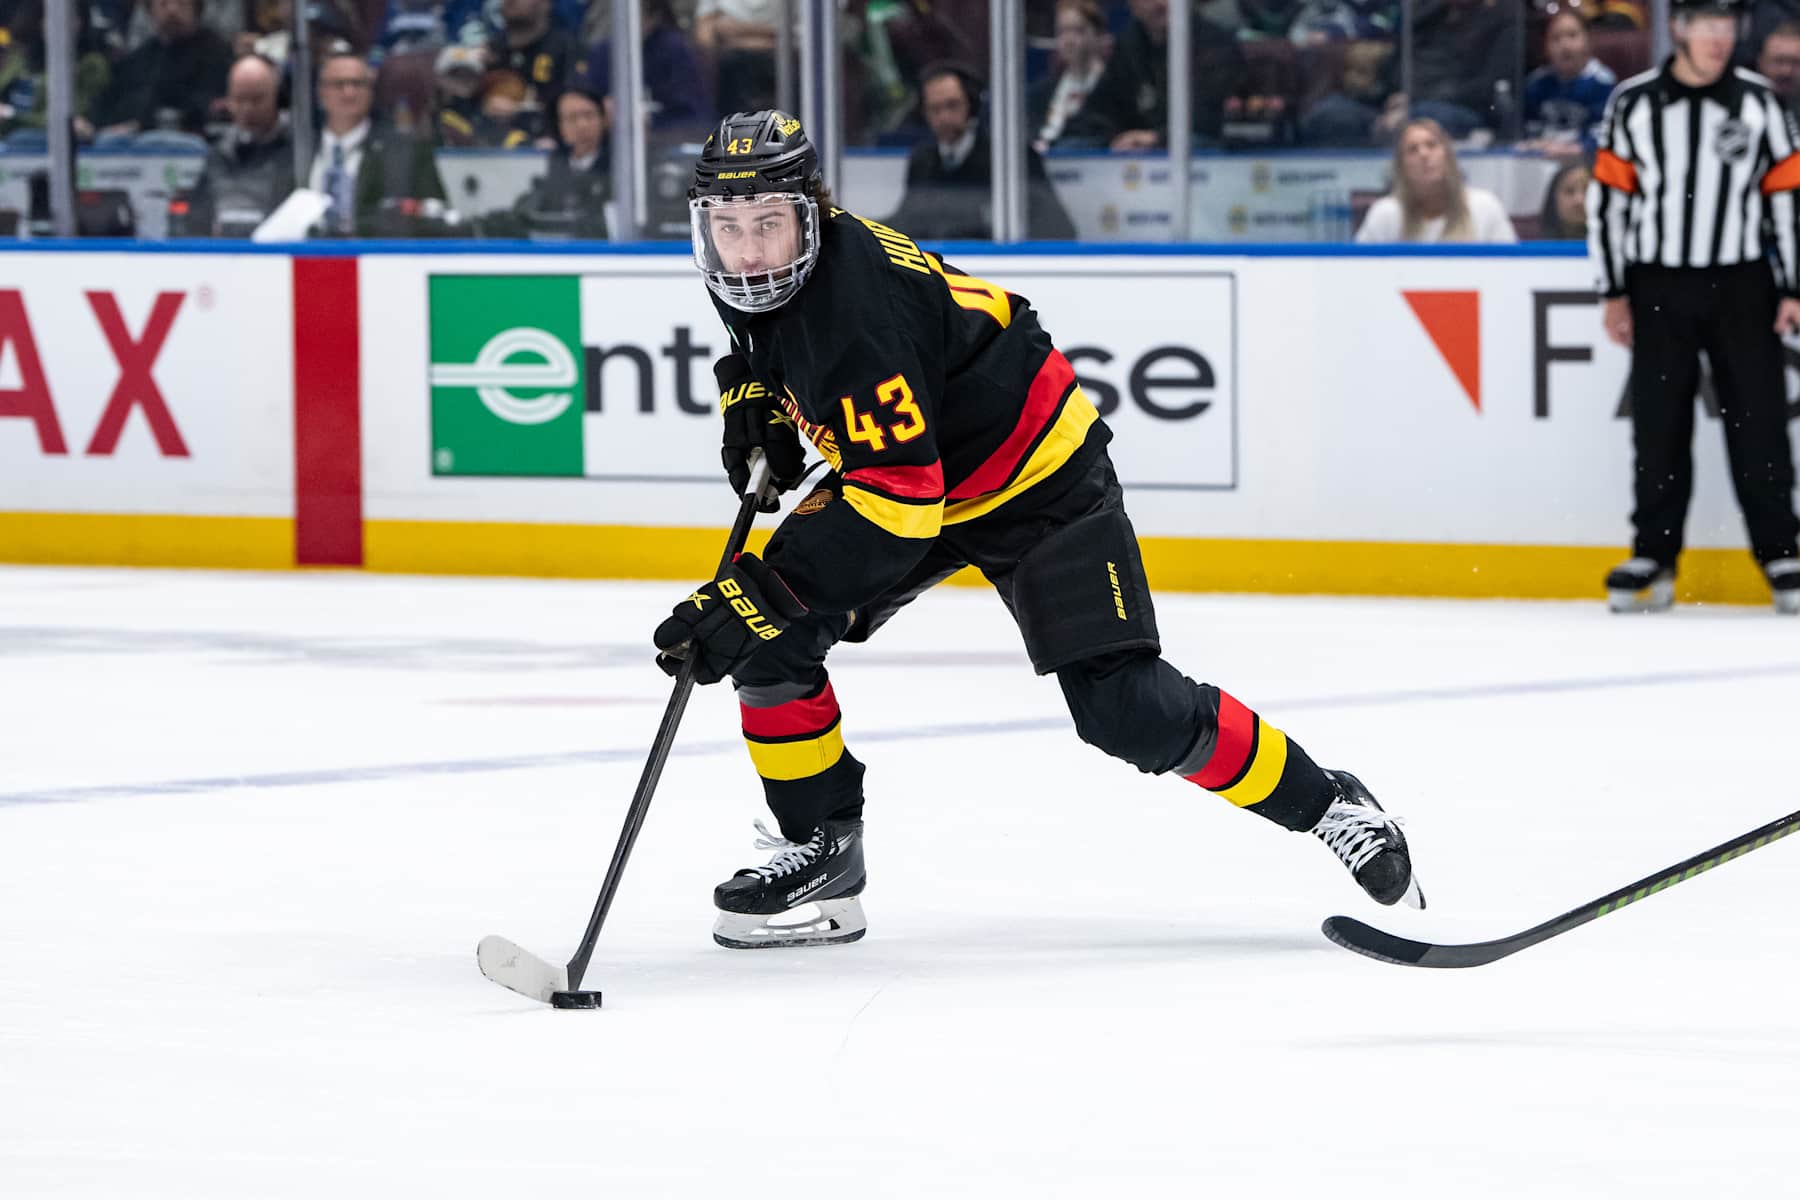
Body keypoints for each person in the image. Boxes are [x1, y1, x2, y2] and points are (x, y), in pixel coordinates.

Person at [655, 109, 1425, 949]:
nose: (751, 252)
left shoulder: (857, 309)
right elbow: (760, 343)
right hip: (915, 468)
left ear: (815, 213)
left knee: (1124, 708)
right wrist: (752, 402)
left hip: (1035, 477)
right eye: (729, 228)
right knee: (773, 642)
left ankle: (1329, 804)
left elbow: (897, 510)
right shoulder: (755, 268)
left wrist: (763, 589)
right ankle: (824, 851)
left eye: (769, 223)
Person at [1589, 0, 1800, 614]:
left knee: (1758, 418)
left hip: (1741, 282)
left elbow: (1785, 198)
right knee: (1659, 421)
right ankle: (1653, 552)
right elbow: (1610, 201)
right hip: (1658, 285)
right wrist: (1613, 289)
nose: (1719, 36)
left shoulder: (1760, 101)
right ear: (1677, 27)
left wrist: (1793, 285)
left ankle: (1781, 551)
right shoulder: (1632, 102)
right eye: (1705, 23)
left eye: (1728, 24)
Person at [885, 62, 1076, 241]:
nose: (944, 117)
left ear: (972, 105)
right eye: (934, 109)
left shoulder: (1010, 158)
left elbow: (1058, 228)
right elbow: (906, 221)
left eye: (952, 105)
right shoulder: (922, 161)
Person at [1058, 0, 1245, 151]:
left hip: (1197, 148)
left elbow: (1207, 118)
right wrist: (1113, 137)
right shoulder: (1128, 45)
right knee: (1071, 146)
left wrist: (1157, 138)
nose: (1160, 3)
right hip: (1138, 149)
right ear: (1132, 5)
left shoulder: (1215, 43)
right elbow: (1102, 109)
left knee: (1193, 143)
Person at [307, 46, 447, 236]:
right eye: (339, 84)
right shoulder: (295, 150)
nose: (349, 93)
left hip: (377, 258)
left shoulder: (406, 152)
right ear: (321, 92)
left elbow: (435, 213)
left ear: (371, 90)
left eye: (358, 84)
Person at [1354, 117, 1517, 242]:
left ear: (1448, 156)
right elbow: (1357, 270)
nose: (1424, 154)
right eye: (1412, 150)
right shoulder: (1385, 213)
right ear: (1401, 167)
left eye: (1431, 145)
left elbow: (1512, 270)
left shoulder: (1485, 207)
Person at [184, 53, 292, 237]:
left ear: (277, 97)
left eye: (257, 99)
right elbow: (196, 221)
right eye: (240, 99)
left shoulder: (298, 150)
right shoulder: (217, 154)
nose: (248, 109)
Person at [92, 0, 232, 137]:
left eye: (181, 3)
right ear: (150, 11)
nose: (172, 10)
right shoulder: (137, 60)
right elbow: (108, 105)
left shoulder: (217, 54)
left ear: (196, 8)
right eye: (163, 3)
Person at [1521, 6, 1617, 159]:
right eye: (1556, 38)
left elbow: (1603, 138)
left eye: (1572, 36)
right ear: (1545, 46)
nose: (1564, 46)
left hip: (1584, 165)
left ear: (1589, 40)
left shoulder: (1602, 84)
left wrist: (1573, 150)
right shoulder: (1536, 84)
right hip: (1541, 161)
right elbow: (1528, 132)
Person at [1028, 0, 1109, 153]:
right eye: (1062, 31)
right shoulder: (1041, 91)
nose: (1069, 40)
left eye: (1078, 31)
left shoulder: (1112, 86)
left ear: (1098, 34)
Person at [1537, 159, 1589, 239]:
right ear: (1554, 199)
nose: (1579, 200)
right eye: (1569, 191)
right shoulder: (1535, 246)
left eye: (1587, 191)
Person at [1756, 20, 1800, 114]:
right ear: (1761, 62)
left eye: (1796, 62)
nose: (1786, 71)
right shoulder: (1744, 107)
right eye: (1779, 61)